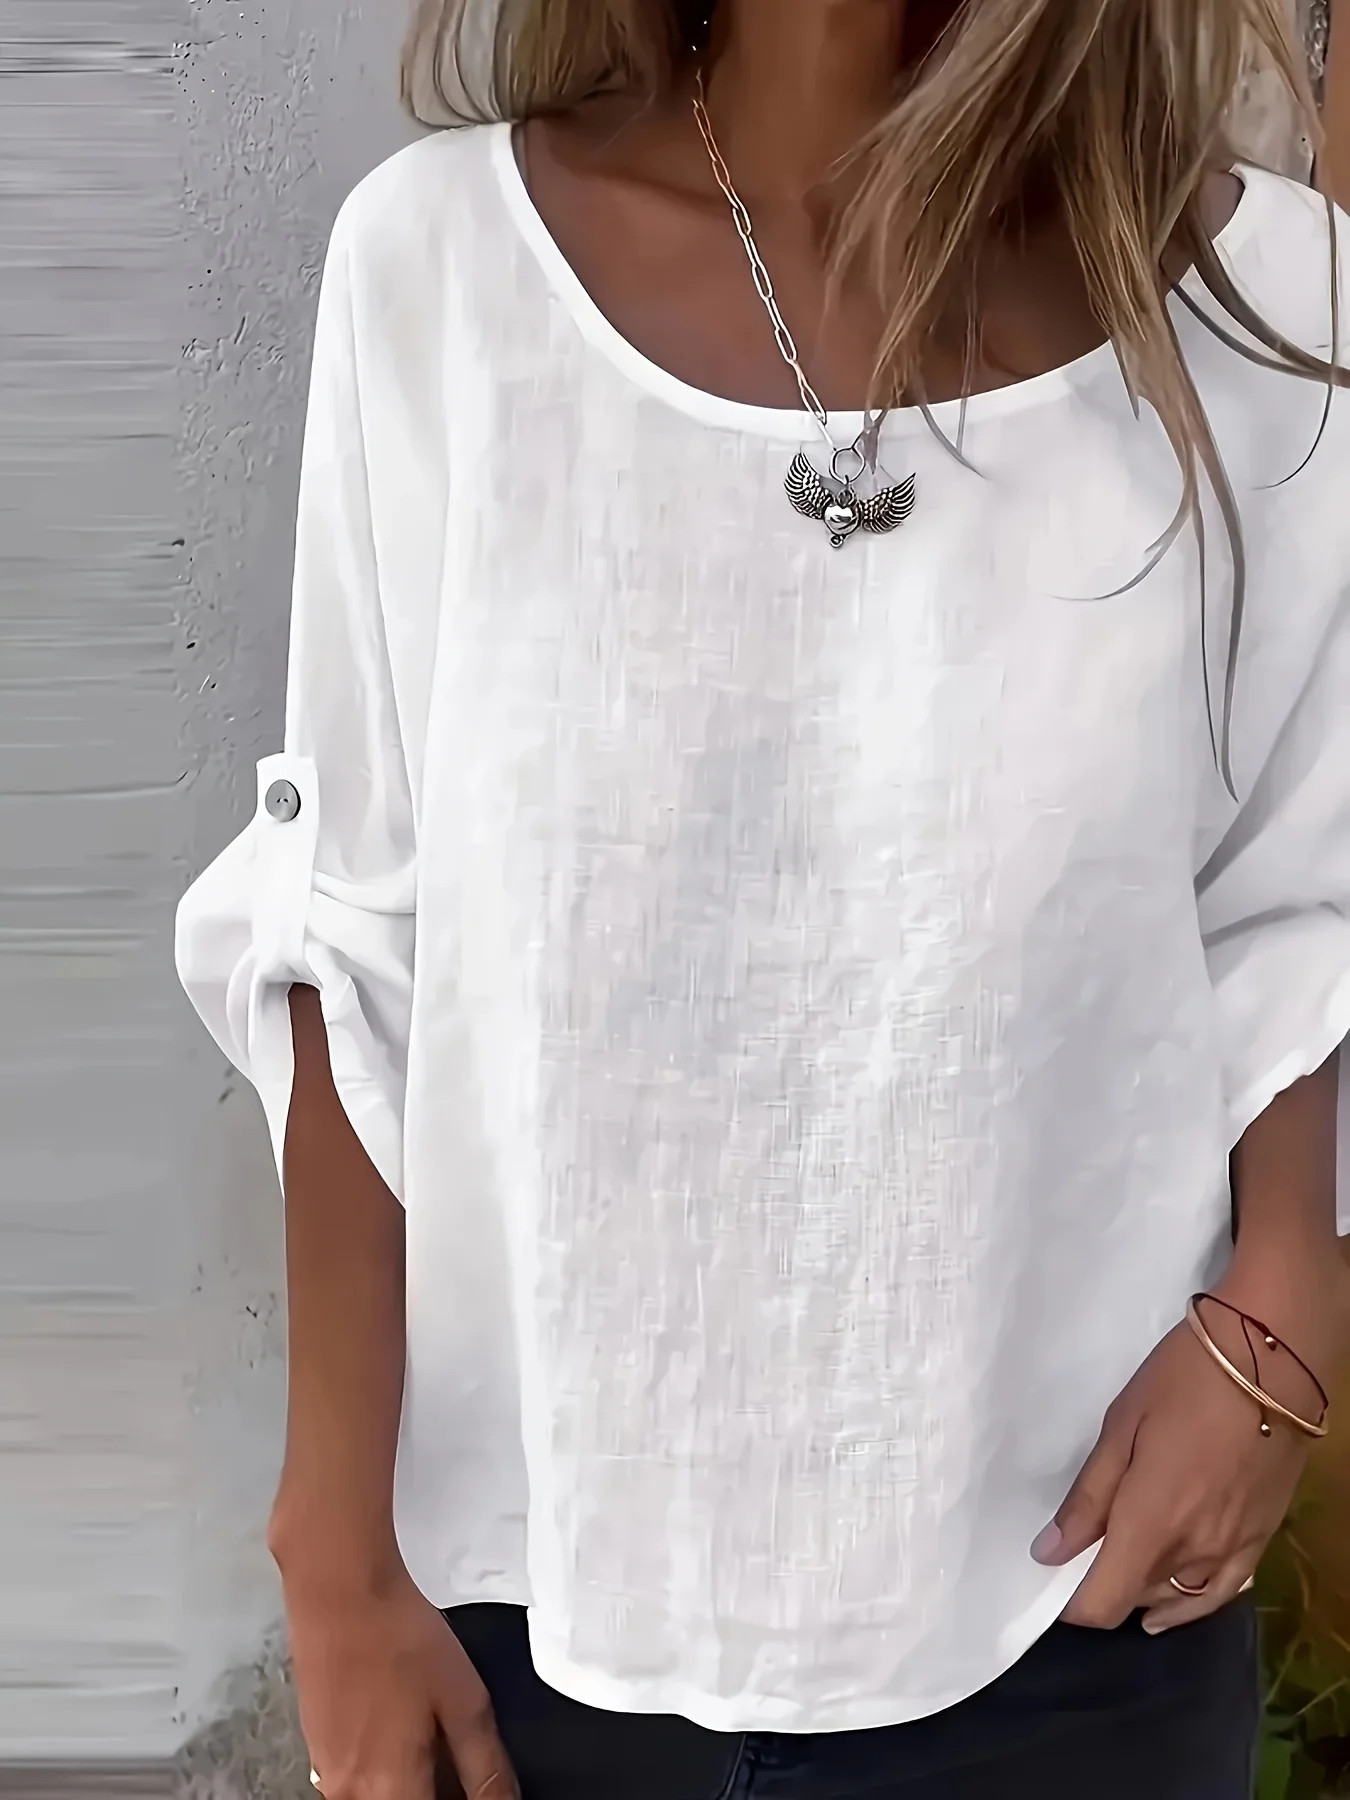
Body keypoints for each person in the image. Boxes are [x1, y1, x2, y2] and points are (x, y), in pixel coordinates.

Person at [175, 2, 1350, 1795]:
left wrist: (1283, 1302)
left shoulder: (1267, 305)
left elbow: (1291, 886)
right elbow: (352, 932)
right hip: (531, 1628)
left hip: (1074, 1613)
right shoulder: (442, 273)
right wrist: (330, 1552)